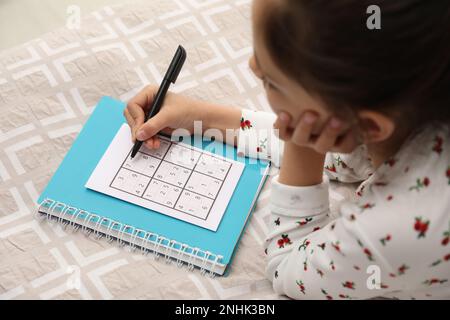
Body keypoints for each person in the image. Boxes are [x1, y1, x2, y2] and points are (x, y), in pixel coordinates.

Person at [123, 0, 450, 299]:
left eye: (272, 81)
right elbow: (345, 153)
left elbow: (289, 269)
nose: (252, 65)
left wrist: (302, 145)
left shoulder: (396, 228)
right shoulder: (416, 98)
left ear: (368, 125)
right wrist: (199, 118)